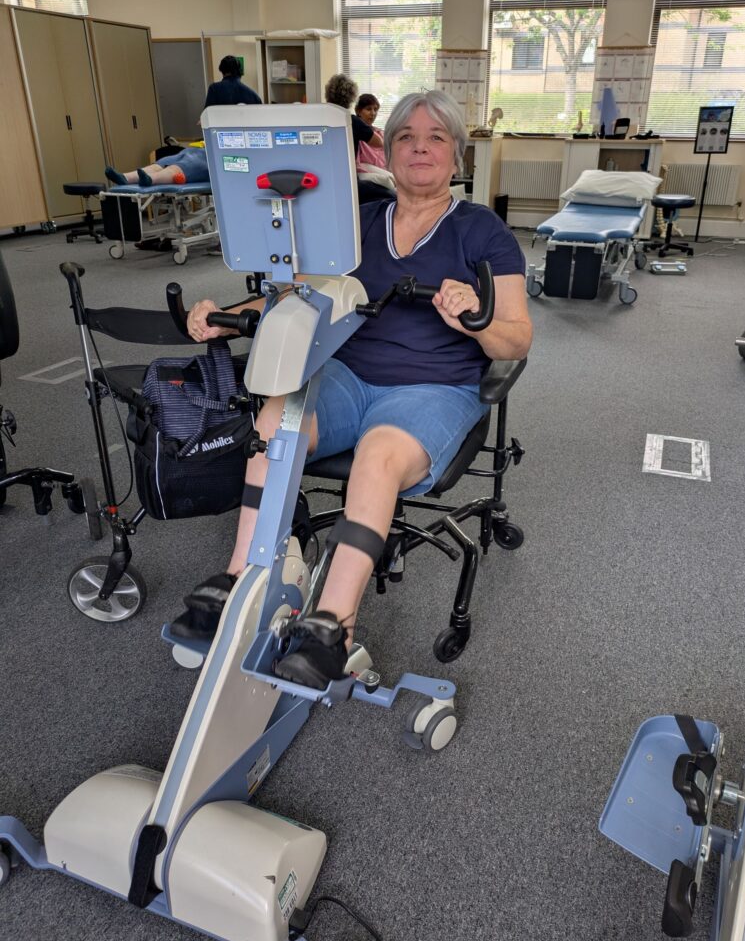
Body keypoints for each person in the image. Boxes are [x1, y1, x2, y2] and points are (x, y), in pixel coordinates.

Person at [171, 90, 533, 690]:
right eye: (406, 137)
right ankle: (239, 579)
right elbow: (296, 296)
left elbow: (516, 340)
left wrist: (475, 318)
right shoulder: (357, 224)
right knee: (274, 422)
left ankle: (332, 628)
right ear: (387, 154)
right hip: (347, 374)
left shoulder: (483, 231)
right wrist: (226, 315)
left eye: (436, 138)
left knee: (377, 455)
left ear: (457, 155)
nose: (420, 147)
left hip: (434, 386)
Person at [105, 146, 209, 188]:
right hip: (193, 150)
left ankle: (150, 179)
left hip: (207, 159)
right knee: (162, 163)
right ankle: (125, 178)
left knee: (180, 166)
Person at [354, 93, 387, 170]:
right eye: (368, 109)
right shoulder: (355, 134)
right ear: (358, 111)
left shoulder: (380, 132)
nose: (373, 113)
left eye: (375, 109)